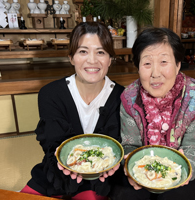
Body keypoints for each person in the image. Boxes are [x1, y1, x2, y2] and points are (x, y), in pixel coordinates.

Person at [109, 27, 195, 200]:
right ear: (137, 67)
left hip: (181, 167)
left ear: (178, 65)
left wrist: (183, 169)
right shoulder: (129, 98)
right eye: (147, 63)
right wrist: (131, 165)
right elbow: (130, 145)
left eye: (164, 62)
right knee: (123, 194)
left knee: (177, 195)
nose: (155, 73)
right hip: (143, 167)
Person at [20, 22, 124, 199]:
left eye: (100, 52)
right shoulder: (50, 94)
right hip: (58, 174)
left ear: (110, 59)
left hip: (106, 178)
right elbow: (53, 146)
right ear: (71, 57)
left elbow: (117, 147)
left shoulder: (122, 97)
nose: (92, 60)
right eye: (83, 51)